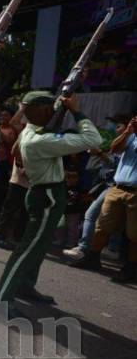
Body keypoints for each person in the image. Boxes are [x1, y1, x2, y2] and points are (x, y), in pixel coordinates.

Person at [0, 92, 101, 318]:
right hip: (47, 194)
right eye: (50, 108)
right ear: (42, 111)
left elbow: (15, 152)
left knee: (39, 247)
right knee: (28, 249)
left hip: (46, 192)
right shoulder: (41, 139)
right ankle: (1, 299)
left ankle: (25, 285)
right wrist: (76, 111)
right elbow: (94, 140)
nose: (53, 111)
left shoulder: (31, 131)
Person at [71, 115, 137, 283]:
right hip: (117, 188)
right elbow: (114, 149)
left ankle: (130, 269)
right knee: (102, 226)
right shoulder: (132, 136)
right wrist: (128, 132)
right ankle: (92, 258)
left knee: (134, 235)